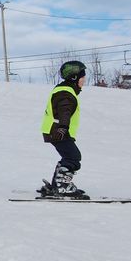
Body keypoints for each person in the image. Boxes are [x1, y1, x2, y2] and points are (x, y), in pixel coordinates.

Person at [39, 61, 88, 197]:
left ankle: (58, 185)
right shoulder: (65, 93)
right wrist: (63, 128)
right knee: (73, 157)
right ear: (74, 78)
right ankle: (62, 187)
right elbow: (64, 111)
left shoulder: (65, 90)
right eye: (82, 77)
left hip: (56, 131)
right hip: (59, 131)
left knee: (69, 156)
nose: (84, 80)